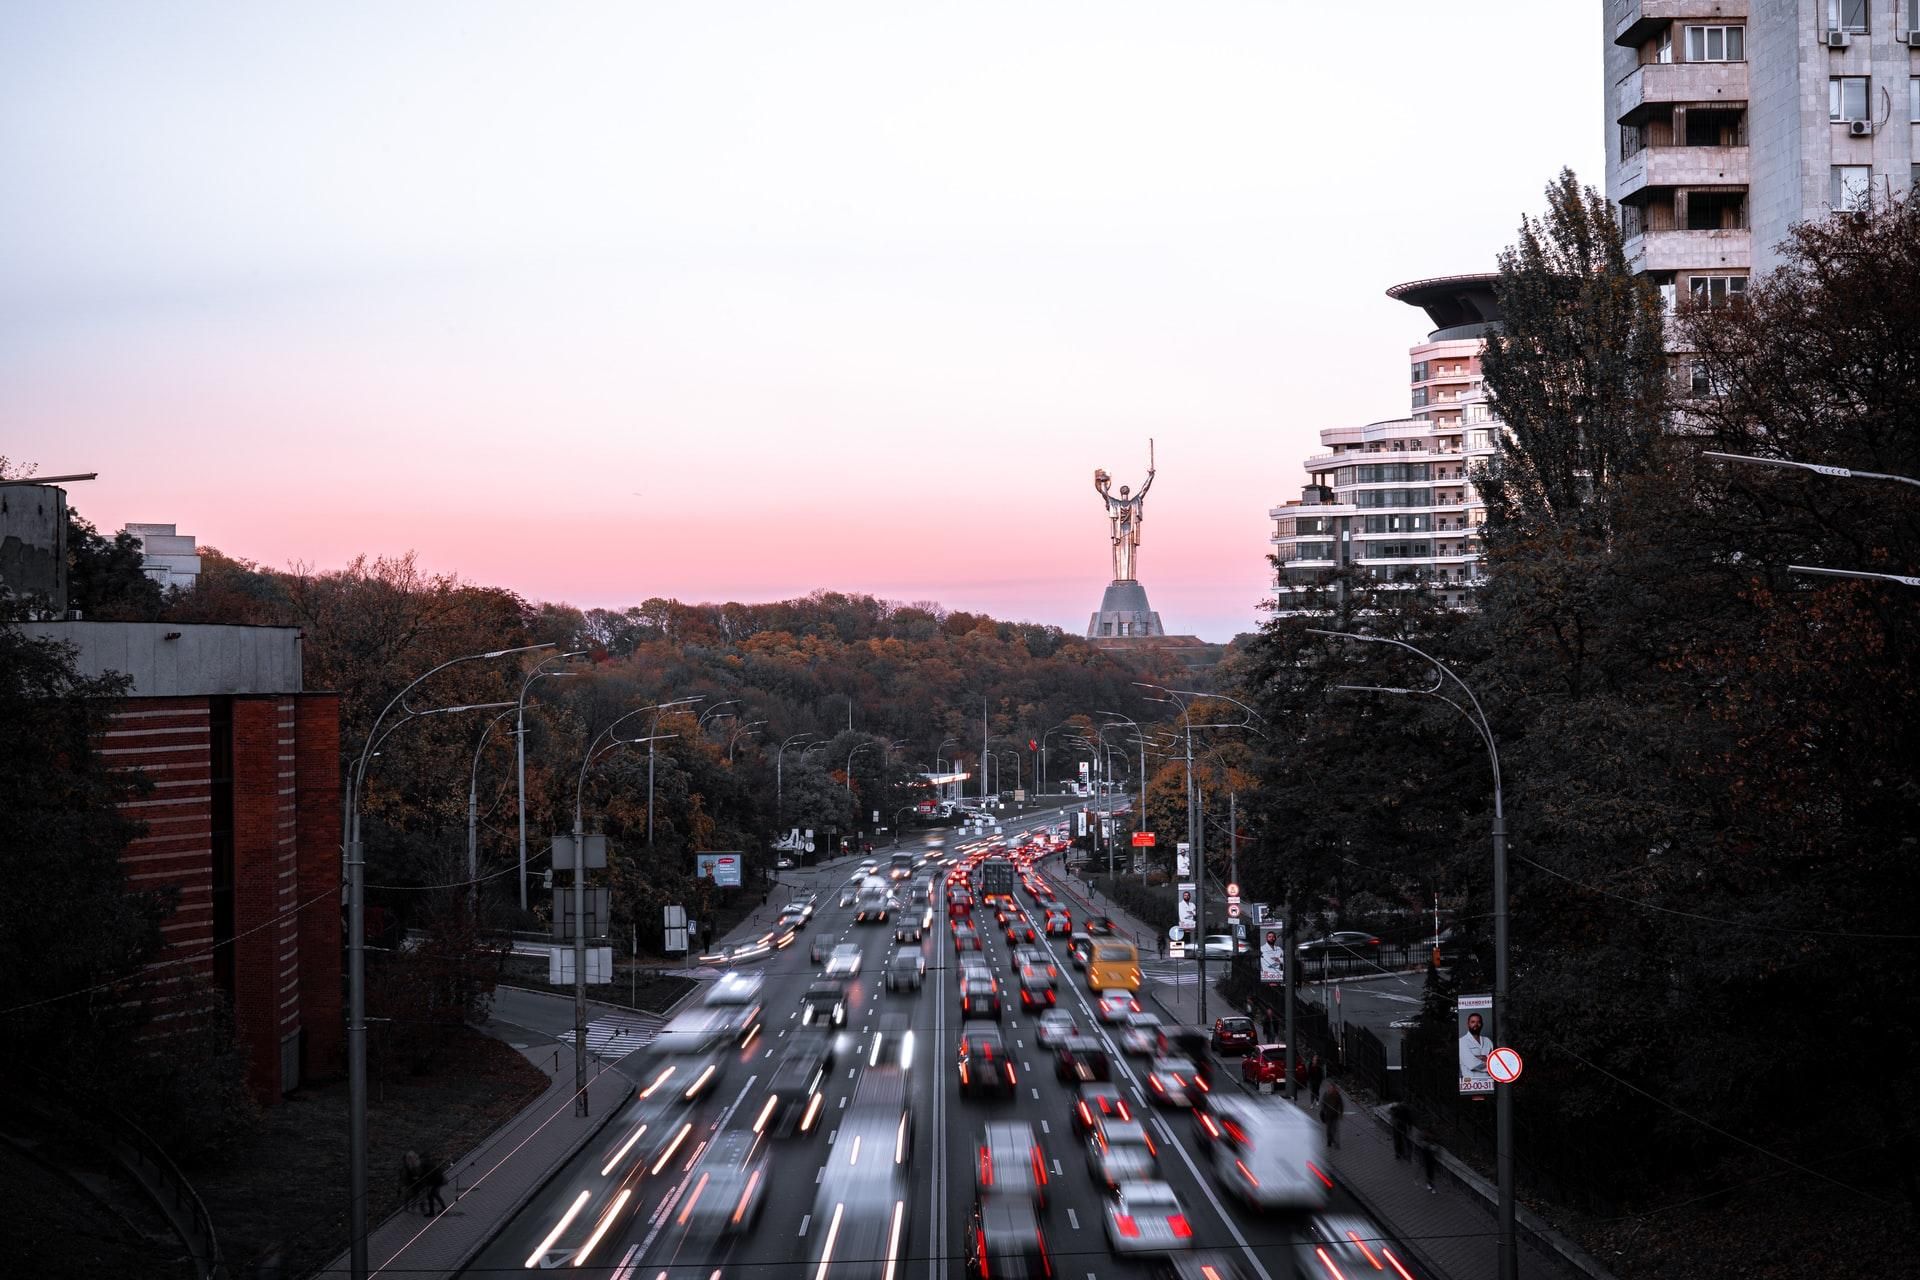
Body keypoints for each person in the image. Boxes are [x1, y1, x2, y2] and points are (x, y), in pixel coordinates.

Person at [1458, 1011, 1494, 1087]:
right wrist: (1489, 1061)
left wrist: (1478, 1057)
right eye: (1473, 1022)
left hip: (1489, 1083)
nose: (1476, 1024)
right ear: (1468, 1024)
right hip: (1470, 1084)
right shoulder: (1462, 1042)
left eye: (1478, 1022)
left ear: (1482, 1024)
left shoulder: (1487, 1040)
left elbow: (1496, 1061)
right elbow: (1472, 1064)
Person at [1319, 1080, 1345, 1149]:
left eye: (1333, 1087)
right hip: (1328, 1115)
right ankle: (1329, 1141)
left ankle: (1336, 1143)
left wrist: (1341, 1113)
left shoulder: (1337, 1095)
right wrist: (1324, 1110)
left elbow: (1341, 1104)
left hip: (1335, 1115)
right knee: (1328, 1130)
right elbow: (1322, 1104)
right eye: (1330, 1087)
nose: (1331, 1089)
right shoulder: (1326, 1094)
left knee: (1335, 1129)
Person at [1417, 1126, 1438, 1192]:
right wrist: (1429, 1146)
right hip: (1427, 1157)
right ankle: (1429, 1183)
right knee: (1429, 1171)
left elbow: (1435, 1146)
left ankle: (1430, 1183)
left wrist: (1433, 1148)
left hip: (1432, 1157)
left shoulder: (1433, 1138)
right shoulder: (1424, 1138)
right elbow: (1423, 1145)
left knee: (1431, 1172)